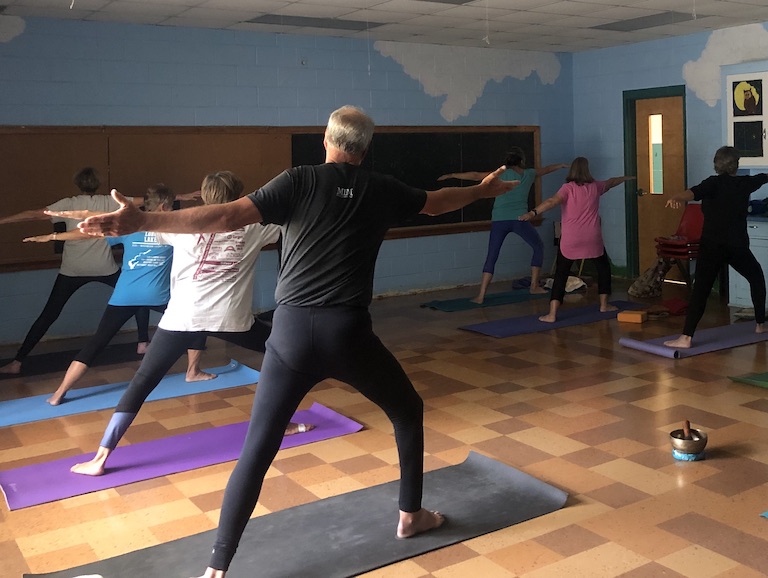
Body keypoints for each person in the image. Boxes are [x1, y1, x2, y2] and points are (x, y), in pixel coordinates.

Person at [71, 105, 517, 578]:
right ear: (366, 149)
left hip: (290, 335)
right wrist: (482, 191)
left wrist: (144, 222)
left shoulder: (298, 180)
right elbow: (438, 200)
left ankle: (217, 570)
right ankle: (411, 516)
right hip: (349, 335)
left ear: (326, 140)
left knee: (258, 448)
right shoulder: (383, 188)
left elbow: (224, 216)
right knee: (407, 410)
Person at [58, 170, 296, 477]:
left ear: (204, 194)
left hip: (182, 318)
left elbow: (147, 226)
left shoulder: (180, 225)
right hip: (231, 320)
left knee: (142, 382)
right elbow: (291, 222)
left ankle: (100, 459)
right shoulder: (255, 227)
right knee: (284, 357)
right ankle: (281, 424)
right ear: (239, 195)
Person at [24, 184, 211, 405]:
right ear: (163, 207)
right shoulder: (173, 231)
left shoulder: (130, 229)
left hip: (124, 297)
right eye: (170, 208)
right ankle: (193, 372)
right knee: (198, 323)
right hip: (159, 297)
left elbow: (87, 233)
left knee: (95, 344)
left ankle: (59, 393)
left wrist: (53, 237)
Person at [0, 168, 152, 374]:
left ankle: (17, 362)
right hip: (103, 267)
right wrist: (182, 196)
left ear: (77, 183)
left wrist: (3, 220)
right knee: (138, 296)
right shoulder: (110, 201)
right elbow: (150, 200)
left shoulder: (68, 204)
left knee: (49, 314)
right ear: (97, 183)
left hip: (73, 270)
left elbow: (32, 214)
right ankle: (143, 343)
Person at [662, 146, 768, 349]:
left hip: (712, 245)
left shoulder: (712, 184)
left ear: (717, 164)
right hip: (736, 246)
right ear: (735, 165)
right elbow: (764, 177)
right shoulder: (744, 183)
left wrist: (677, 197)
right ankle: (760, 324)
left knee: (700, 291)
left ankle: (686, 337)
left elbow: (692, 193)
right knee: (756, 278)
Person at [438, 147, 567, 303]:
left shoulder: (500, 175)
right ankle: (534, 286)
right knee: (538, 246)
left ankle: (480, 295)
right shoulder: (529, 174)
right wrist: (561, 165)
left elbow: (475, 176)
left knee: (492, 255)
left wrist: (452, 175)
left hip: (499, 220)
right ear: (522, 162)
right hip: (520, 220)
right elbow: (546, 169)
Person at [519, 157, 633, 322]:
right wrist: (628, 177)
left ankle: (552, 314)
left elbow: (552, 201)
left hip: (571, 239)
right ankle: (604, 305)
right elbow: (612, 182)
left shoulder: (568, 188)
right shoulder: (596, 187)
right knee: (603, 269)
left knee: (561, 274)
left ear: (572, 170)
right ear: (587, 170)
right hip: (592, 237)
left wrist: (532, 213)